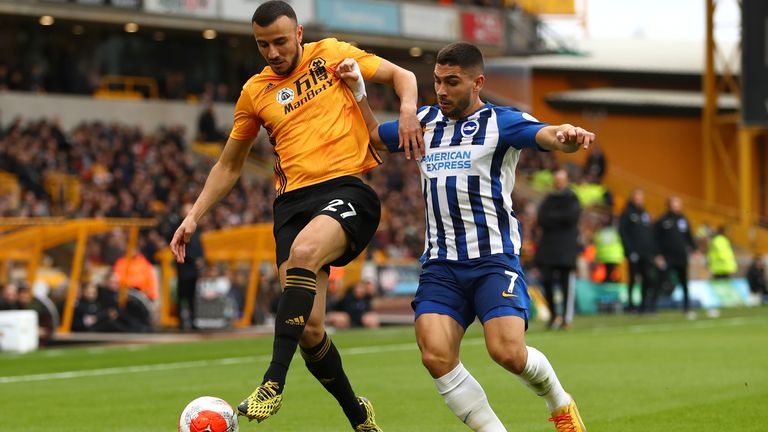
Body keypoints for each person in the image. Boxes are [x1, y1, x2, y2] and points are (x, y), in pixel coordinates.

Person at [169, 1, 422, 430]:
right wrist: (194, 215)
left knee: (305, 251)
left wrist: (407, 111)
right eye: (262, 44)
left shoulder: (332, 54)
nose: (271, 52)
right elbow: (229, 164)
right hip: (291, 205)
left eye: (280, 41)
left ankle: (272, 381)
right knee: (309, 329)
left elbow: (405, 75)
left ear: (299, 34)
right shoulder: (255, 91)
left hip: (347, 189)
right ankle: (359, 417)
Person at [338, 41, 590, 431]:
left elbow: (550, 135)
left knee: (507, 352)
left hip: (493, 259)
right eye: (437, 81)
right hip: (441, 264)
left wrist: (568, 135)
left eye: (452, 82)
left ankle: (560, 404)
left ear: (478, 83)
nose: (441, 90)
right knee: (436, 355)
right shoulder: (420, 122)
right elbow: (372, 136)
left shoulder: (501, 122)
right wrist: (358, 91)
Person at [534, 169, 581, 330]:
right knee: (546, 282)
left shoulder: (572, 198)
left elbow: (570, 218)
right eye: (556, 179)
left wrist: (553, 218)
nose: (558, 182)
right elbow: (542, 219)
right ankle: (554, 315)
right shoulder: (549, 199)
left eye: (561, 179)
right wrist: (558, 218)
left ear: (567, 180)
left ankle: (566, 319)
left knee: (566, 284)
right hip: (548, 248)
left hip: (566, 249)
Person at [653, 196, 697, 318]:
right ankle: (651, 307)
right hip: (667, 257)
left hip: (681, 256)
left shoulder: (683, 219)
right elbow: (655, 239)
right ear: (669, 205)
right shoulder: (662, 220)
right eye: (675, 203)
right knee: (660, 281)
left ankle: (687, 307)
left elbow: (688, 236)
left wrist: (694, 249)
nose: (677, 206)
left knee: (684, 283)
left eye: (679, 203)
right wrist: (658, 255)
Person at [618, 189, 656, 313]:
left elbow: (649, 232)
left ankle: (644, 304)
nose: (639, 200)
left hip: (646, 252)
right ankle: (630, 304)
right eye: (637, 197)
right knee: (633, 278)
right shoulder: (627, 213)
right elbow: (623, 233)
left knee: (647, 278)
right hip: (633, 252)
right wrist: (629, 250)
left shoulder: (644, 213)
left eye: (641, 197)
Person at [176, 203, 206, 330]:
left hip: (192, 270)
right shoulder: (179, 228)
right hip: (184, 268)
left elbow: (200, 247)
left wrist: (201, 258)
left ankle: (192, 320)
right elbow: (183, 247)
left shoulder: (195, 229)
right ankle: (182, 321)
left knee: (192, 297)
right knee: (183, 296)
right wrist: (195, 259)